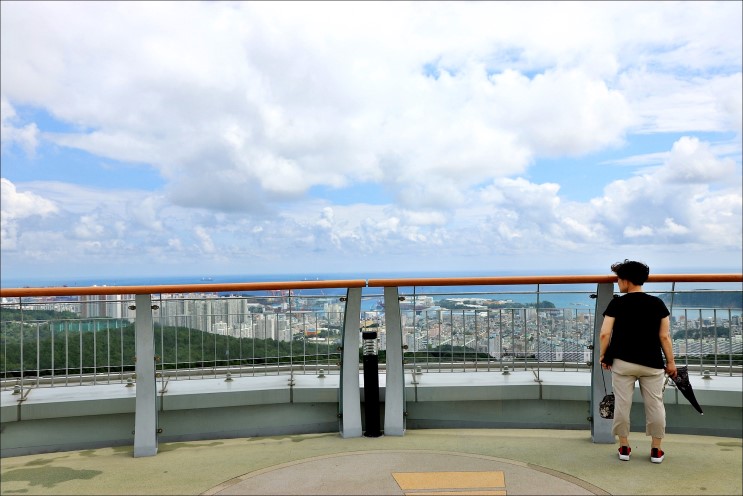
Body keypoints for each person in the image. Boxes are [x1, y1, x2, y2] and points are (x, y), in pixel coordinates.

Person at [599, 260, 677, 463]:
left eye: (618, 279)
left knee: (622, 405)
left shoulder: (617, 303)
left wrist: (603, 355)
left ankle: (624, 448)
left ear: (625, 280)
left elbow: (605, 334)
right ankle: (656, 450)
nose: (617, 283)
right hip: (652, 364)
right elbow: (665, 337)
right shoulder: (657, 304)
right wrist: (671, 362)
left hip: (623, 363)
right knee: (655, 405)